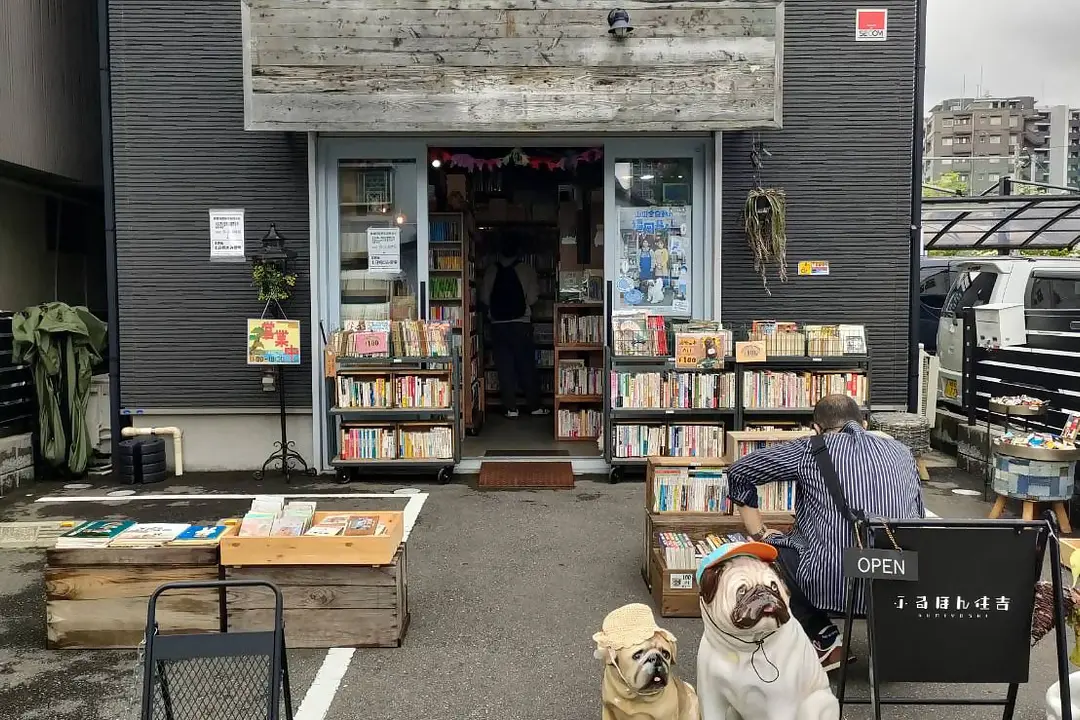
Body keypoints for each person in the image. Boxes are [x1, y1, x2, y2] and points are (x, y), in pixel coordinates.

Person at [726, 394, 924, 671]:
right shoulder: (902, 452)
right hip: (898, 575)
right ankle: (893, 641)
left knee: (769, 551)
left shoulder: (810, 449)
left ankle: (825, 639)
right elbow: (917, 516)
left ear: (816, 428)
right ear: (863, 423)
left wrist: (760, 533)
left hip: (835, 580)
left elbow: (739, 471)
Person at [479, 234, 547, 419]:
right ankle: (534, 406)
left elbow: (484, 299)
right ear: (519, 251)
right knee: (526, 365)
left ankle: (510, 408)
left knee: (504, 367)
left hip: (498, 325)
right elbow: (533, 298)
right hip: (521, 324)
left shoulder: (491, 271)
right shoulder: (527, 270)